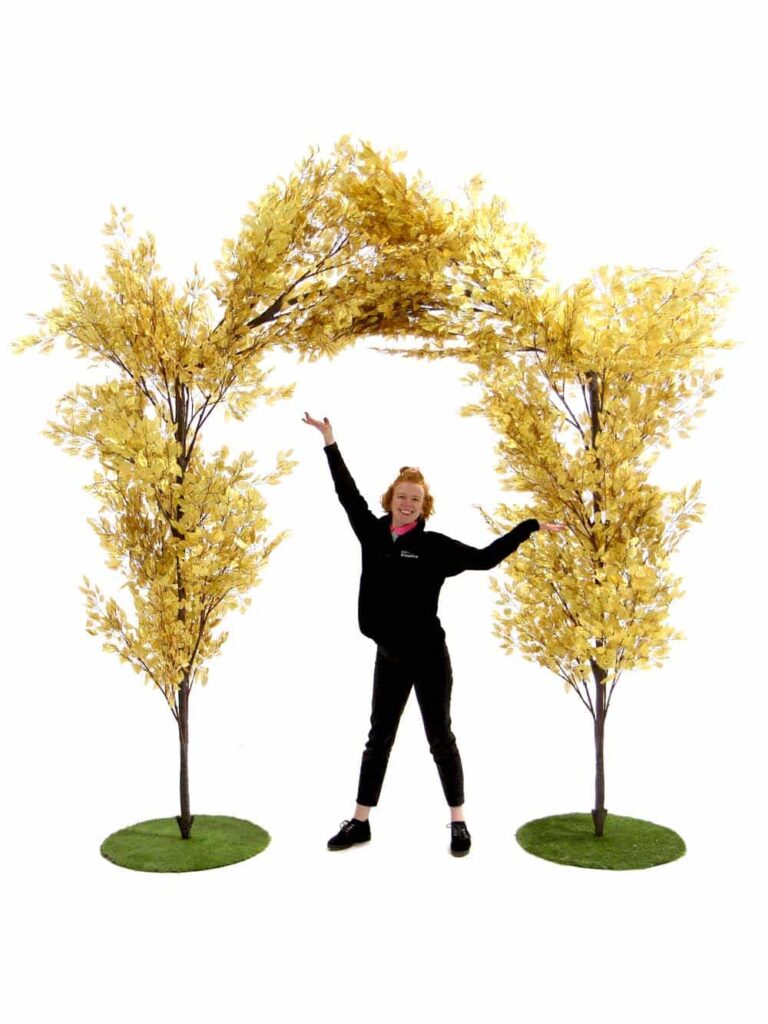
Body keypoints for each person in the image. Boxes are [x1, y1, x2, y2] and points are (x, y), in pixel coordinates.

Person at [303, 412, 566, 856]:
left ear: (424, 507)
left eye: (416, 499)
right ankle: (360, 822)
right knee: (378, 739)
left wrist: (529, 527)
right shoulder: (372, 533)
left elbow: (484, 558)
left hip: (428, 658)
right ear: (390, 499)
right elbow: (346, 493)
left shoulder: (434, 547)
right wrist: (329, 440)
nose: (408, 503)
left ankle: (458, 822)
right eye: (402, 496)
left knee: (440, 737)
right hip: (389, 657)